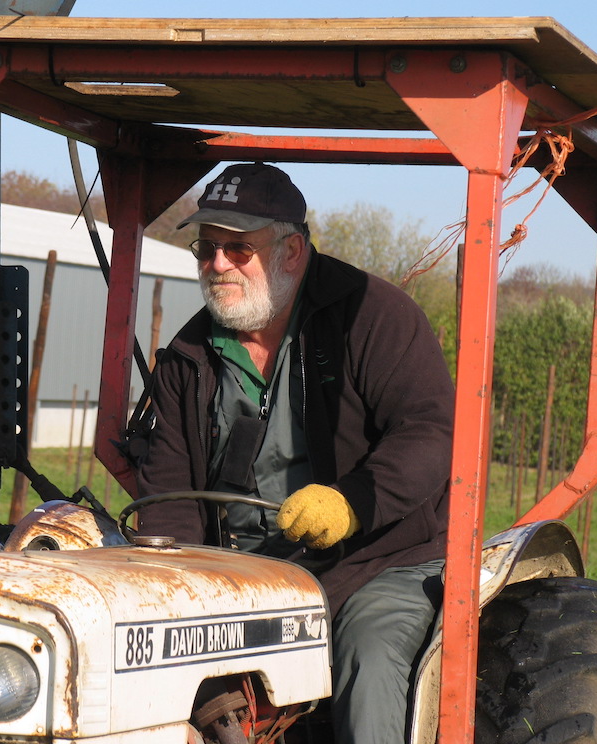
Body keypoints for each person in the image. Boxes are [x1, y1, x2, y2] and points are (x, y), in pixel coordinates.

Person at [135, 162, 454, 744]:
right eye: (207, 248)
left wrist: (351, 503)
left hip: (375, 564)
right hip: (241, 576)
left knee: (369, 658)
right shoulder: (188, 354)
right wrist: (175, 592)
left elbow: (430, 434)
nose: (217, 265)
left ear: (291, 252)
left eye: (238, 248)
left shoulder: (375, 317)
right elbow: (169, 494)